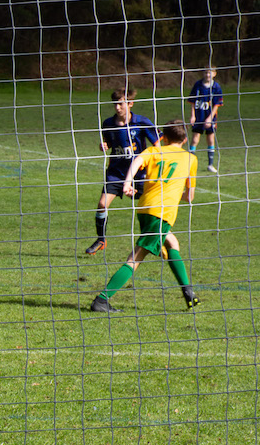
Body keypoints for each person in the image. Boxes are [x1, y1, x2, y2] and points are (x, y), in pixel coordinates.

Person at [89, 120, 199, 313]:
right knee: (136, 258)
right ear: (184, 139)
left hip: (145, 208)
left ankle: (188, 292)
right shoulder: (191, 159)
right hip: (162, 212)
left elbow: (137, 161)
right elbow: (190, 197)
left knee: (172, 244)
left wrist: (127, 182)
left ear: (163, 137)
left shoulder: (153, 152)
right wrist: (177, 193)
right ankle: (102, 300)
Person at [84, 87, 159, 256]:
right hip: (116, 172)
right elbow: (109, 142)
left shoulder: (142, 122)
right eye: (115, 104)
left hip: (139, 173)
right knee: (102, 204)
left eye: (121, 104)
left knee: (149, 207)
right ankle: (101, 239)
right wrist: (104, 146)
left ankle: (155, 239)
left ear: (130, 103)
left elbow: (158, 145)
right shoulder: (108, 124)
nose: (118, 108)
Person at [187, 66, 223, 174]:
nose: (208, 75)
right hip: (199, 116)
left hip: (209, 117)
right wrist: (193, 115)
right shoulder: (197, 85)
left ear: (214, 74)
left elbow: (217, 104)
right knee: (194, 139)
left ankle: (210, 164)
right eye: (206, 73)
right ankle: (190, 164)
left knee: (210, 139)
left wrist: (210, 118)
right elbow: (192, 102)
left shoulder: (216, 87)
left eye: (210, 73)